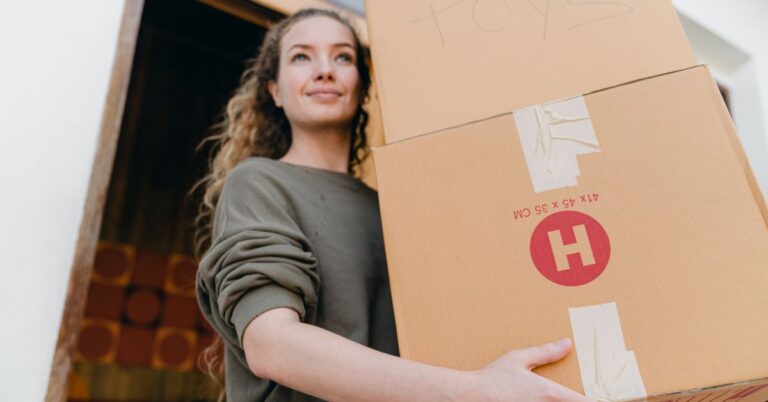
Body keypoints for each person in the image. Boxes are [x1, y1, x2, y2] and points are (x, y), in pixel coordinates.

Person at [195, 8, 591, 402]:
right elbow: (272, 345)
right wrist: (475, 390)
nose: (325, 70)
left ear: (363, 86)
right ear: (275, 91)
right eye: (301, 56)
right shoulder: (258, 182)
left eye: (343, 56)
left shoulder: (396, 209)